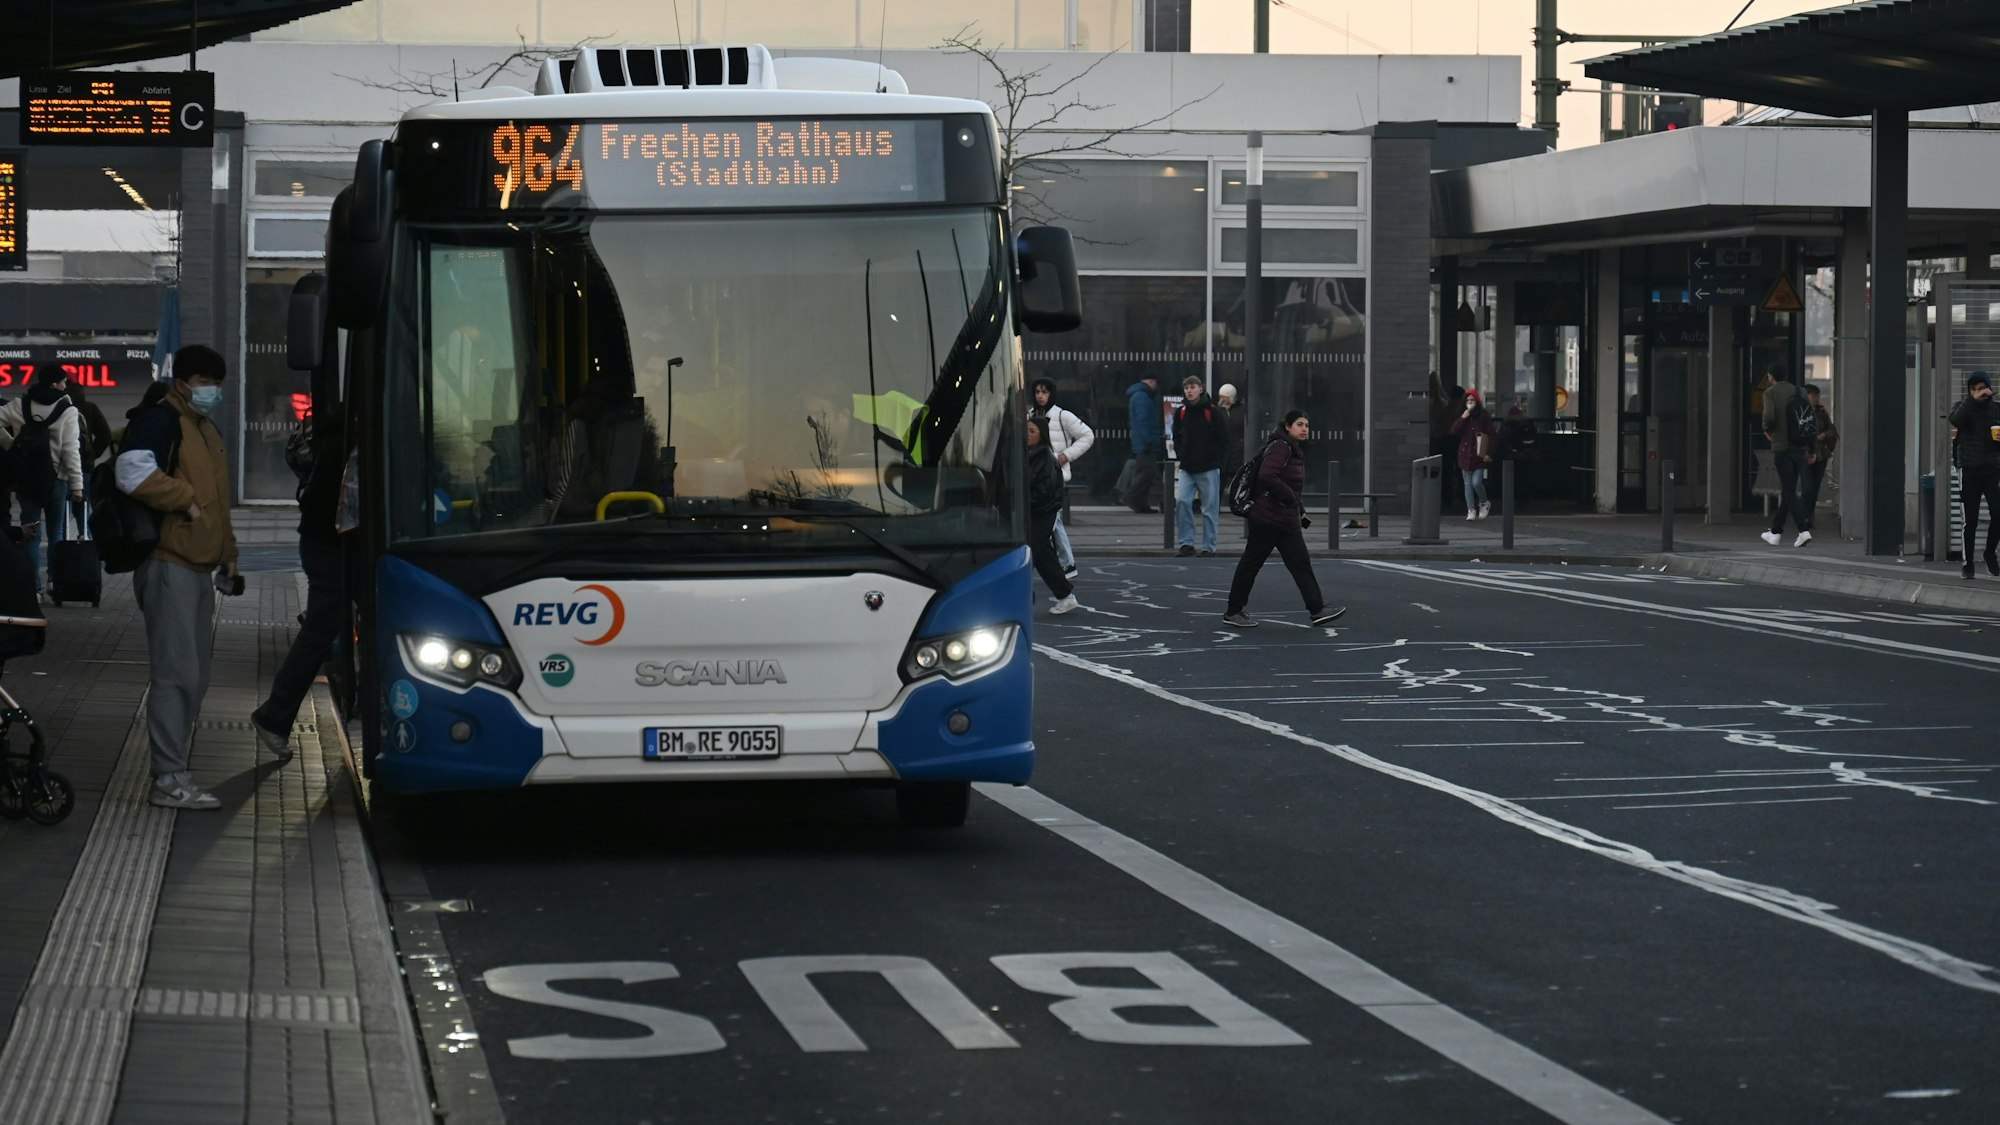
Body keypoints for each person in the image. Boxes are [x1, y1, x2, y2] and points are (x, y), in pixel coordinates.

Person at [117, 344, 240, 810]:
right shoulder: (162, 420)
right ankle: (168, 778)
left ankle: (175, 771)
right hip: (169, 562)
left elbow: (219, 501)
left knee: (195, 675)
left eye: (217, 384)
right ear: (183, 383)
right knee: (176, 674)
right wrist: (183, 499)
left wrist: (228, 553)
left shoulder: (204, 428)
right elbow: (131, 473)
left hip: (197, 565)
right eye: (206, 383)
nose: (213, 392)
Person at [251, 414, 346, 763]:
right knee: (319, 633)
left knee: (320, 631)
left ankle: (274, 717)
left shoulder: (336, 433)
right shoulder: (347, 440)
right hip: (332, 546)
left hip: (324, 543)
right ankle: (273, 716)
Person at [1222, 410, 1344, 629]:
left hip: (1285, 519)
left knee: (1300, 564)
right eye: (1299, 424)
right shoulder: (1281, 447)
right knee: (1251, 564)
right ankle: (1233, 611)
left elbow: (1292, 487)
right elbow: (1267, 475)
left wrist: (1300, 510)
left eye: (1307, 425)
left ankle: (1317, 610)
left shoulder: (1293, 449)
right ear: (1288, 426)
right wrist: (1289, 497)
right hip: (1267, 518)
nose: (1304, 429)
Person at [0, 368, 86, 602]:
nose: (66, 386)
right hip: (56, 479)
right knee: (56, 532)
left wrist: (11, 444)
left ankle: (33, 589)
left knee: (30, 534)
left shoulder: (20, 404)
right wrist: (77, 485)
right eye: (63, 382)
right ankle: (54, 583)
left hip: (26, 479)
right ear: (54, 384)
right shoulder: (68, 410)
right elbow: (71, 450)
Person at [1030, 377, 1094, 580]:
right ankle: (1065, 564)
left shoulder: (1062, 416)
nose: (1040, 396)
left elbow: (1087, 435)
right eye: (1037, 392)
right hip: (1037, 475)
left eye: (1045, 392)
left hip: (1055, 475)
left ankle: (1066, 563)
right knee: (1051, 520)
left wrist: (1065, 456)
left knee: (1051, 520)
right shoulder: (1030, 415)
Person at [1025, 416, 1080, 614]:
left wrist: (1023, 501)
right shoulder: (1030, 455)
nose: (1027, 435)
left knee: (1030, 553)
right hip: (1035, 511)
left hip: (1042, 512)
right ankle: (1065, 595)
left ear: (1042, 436)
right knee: (1043, 555)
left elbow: (1044, 492)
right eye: (1026, 430)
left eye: (1032, 431)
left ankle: (1015, 594)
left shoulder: (1045, 459)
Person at [1948, 371, 2000, 579]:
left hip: (1993, 470)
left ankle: (1990, 553)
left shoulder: (1997, 409)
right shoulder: (1963, 407)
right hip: (1969, 469)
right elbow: (1956, 420)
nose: (1977, 392)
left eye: (1981, 388)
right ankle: (1967, 563)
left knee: (1998, 512)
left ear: (1988, 388)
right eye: (1973, 389)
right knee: (1970, 520)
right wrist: (1972, 400)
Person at [1171, 376, 1229, 557]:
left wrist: (1217, 460)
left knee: (1209, 508)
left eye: (1192, 387)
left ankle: (1208, 546)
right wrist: (1181, 453)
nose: (1189, 391)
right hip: (1187, 466)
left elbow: (1223, 438)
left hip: (1208, 467)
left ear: (1200, 389)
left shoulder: (1213, 412)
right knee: (1182, 501)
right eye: (1186, 388)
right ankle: (1186, 543)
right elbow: (1176, 435)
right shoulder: (1181, 412)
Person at [1758, 363, 1812, 548]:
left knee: (1789, 491)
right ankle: (1775, 532)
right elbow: (1809, 420)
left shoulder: (1770, 393)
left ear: (1771, 376)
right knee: (1788, 490)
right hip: (1800, 447)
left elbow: (1769, 418)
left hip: (1782, 447)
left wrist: (1767, 430)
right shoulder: (1800, 392)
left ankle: (1803, 530)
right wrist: (1811, 449)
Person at [1450, 388, 1496, 520]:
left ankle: (1484, 502)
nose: (1470, 402)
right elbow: (1453, 431)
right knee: (1467, 484)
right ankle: (1471, 509)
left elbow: (1492, 435)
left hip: (1479, 455)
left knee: (1476, 482)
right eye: (1468, 400)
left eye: (1472, 400)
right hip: (1465, 454)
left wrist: (1489, 453)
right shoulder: (1463, 416)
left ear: (1477, 401)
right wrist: (1462, 418)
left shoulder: (1483, 416)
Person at [1798, 384, 1838, 532]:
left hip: (1821, 455)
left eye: (1817, 396)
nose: (1816, 398)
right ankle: (1803, 517)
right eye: (1813, 395)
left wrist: (1823, 435)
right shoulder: (1799, 412)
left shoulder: (1821, 412)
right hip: (1805, 455)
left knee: (1814, 488)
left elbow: (1832, 430)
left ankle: (1808, 517)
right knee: (1808, 487)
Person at [1119, 375, 1162, 513]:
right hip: (1145, 443)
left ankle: (1140, 504)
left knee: (1142, 472)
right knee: (1149, 472)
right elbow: (1143, 421)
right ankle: (1130, 496)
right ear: (1152, 381)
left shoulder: (1139, 396)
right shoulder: (1142, 397)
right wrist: (1148, 440)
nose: (1156, 387)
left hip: (1142, 442)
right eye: (1156, 383)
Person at [1428, 372, 1464, 515]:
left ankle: (1447, 499)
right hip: (1456, 441)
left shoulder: (1445, 408)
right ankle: (1462, 498)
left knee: (1446, 472)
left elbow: (1439, 425)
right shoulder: (1460, 411)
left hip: (1444, 441)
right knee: (1461, 471)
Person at [1217, 382, 1246, 483]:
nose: (1222, 400)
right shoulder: (1218, 411)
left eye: (1224, 397)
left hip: (1237, 453)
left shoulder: (1241, 410)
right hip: (1223, 454)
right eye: (1221, 397)